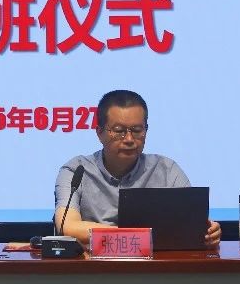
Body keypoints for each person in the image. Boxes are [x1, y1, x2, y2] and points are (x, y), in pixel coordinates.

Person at [53, 89, 221, 247]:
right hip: (94, 265)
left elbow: (192, 225)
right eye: (119, 131)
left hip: (156, 266)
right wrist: (132, 236)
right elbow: (68, 226)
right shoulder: (76, 171)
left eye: (137, 130)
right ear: (99, 133)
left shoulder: (167, 170)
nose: (129, 139)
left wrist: (209, 232)